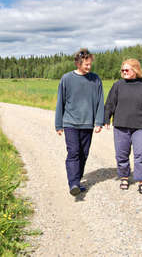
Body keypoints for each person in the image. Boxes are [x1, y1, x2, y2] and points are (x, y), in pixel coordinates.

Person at [104, 58, 142, 196]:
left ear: (135, 70)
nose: (124, 72)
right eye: (122, 70)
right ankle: (124, 178)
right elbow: (110, 104)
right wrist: (106, 119)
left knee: (141, 155)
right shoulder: (118, 86)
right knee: (121, 155)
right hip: (121, 126)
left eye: (127, 70)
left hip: (140, 127)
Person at [55, 48, 104, 196]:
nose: (89, 67)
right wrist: (58, 124)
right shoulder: (66, 79)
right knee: (73, 152)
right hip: (70, 123)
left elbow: (100, 101)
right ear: (78, 63)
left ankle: (77, 179)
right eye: (86, 64)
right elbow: (60, 102)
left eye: (90, 64)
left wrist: (99, 122)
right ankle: (74, 183)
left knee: (84, 153)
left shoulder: (95, 80)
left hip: (88, 124)